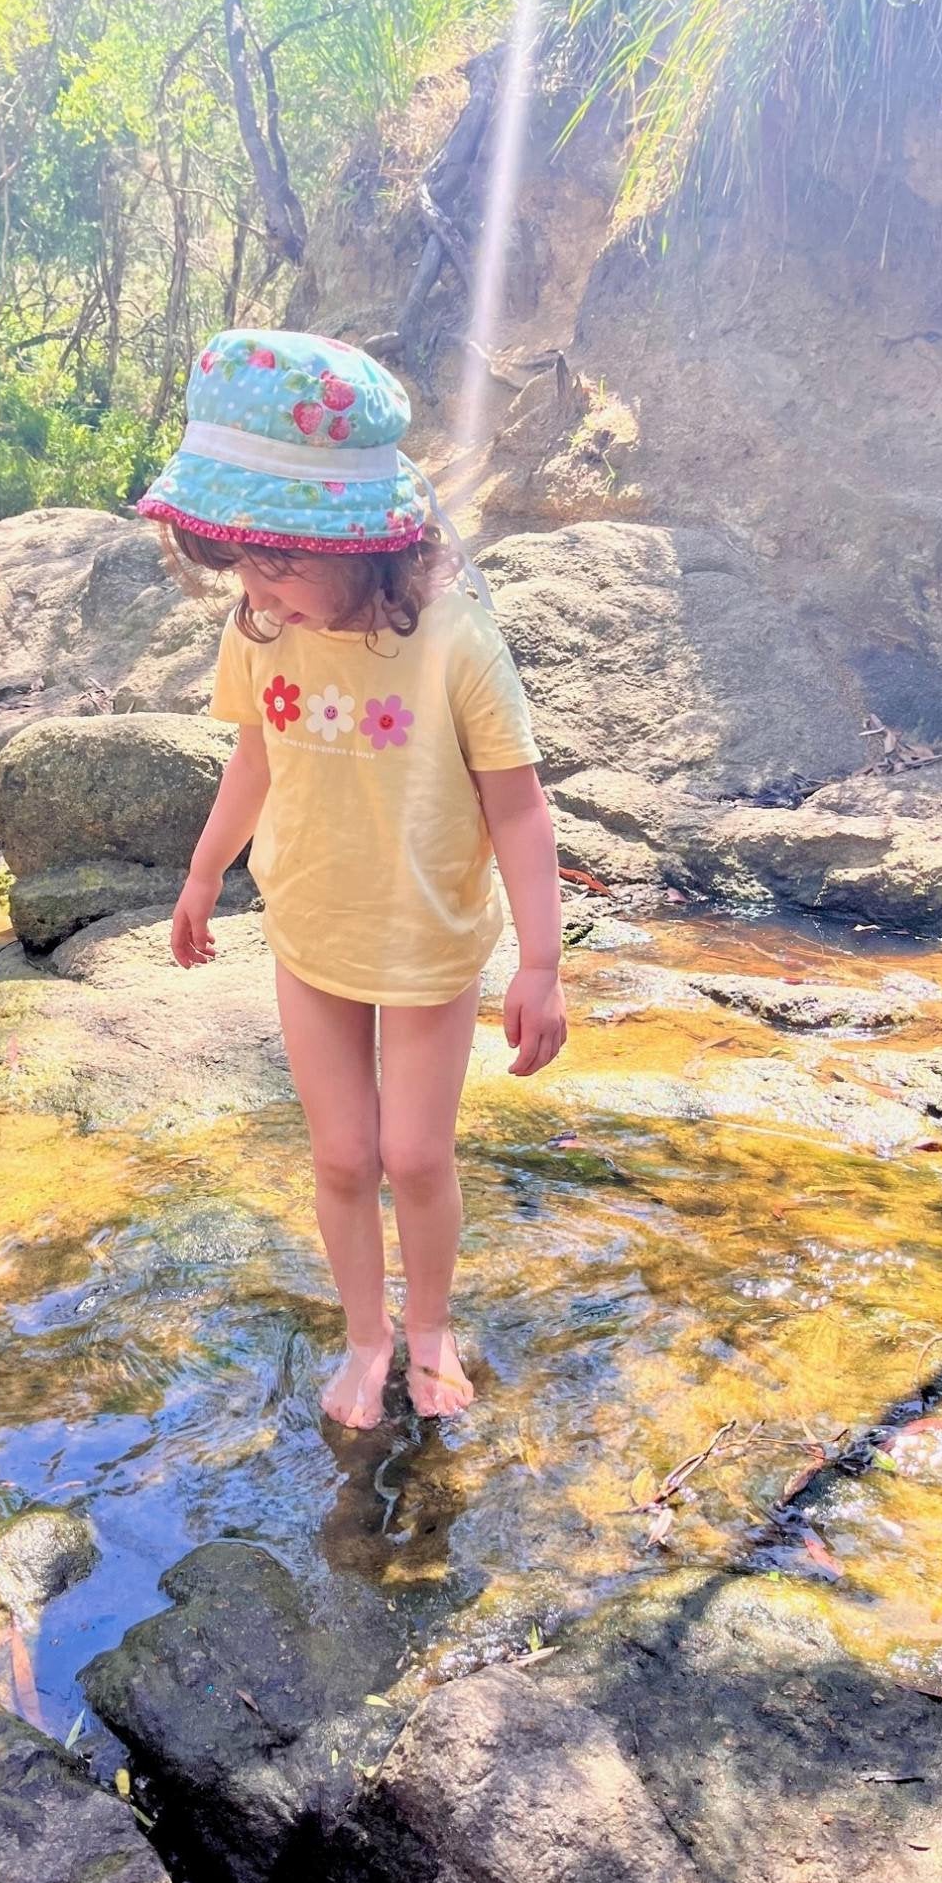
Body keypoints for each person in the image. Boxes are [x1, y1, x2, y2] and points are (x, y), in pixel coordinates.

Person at [137, 327, 565, 1430]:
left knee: (415, 1154)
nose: (257, 583)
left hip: (426, 940)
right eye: (241, 561)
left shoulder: (455, 643)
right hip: (311, 927)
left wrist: (542, 963)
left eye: (277, 558)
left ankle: (429, 1327)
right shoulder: (262, 628)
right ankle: (365, 1335)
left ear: (362, 539)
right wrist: (200, 876)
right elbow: (255, 759)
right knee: (341, 1153)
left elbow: (517, 805)